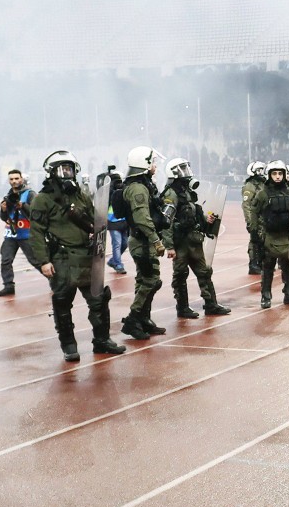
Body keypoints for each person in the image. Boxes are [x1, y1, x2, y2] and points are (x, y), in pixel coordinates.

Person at [28, 150, 125, 361]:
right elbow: (35, 233)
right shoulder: (42, 200)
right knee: (62, 303)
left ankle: (102, 341)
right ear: (51, 173)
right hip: (62, 259)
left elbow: (95, 219)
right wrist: (44, 261)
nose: (67, 174)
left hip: (87, 257)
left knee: (99, 300)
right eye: (62, 170)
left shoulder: (81, 195)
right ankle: (69, 345)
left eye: (69, 169)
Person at [161, 157, 230, 319]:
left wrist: (206, 221)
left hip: (193, 239)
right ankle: (182, 307)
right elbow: (167, 222)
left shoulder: (187, 192)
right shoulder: (171, 194)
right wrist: (169, 246)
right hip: (180, 243)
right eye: (182, 169)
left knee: (204, 272)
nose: (187, 172)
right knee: (180, 274)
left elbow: (193, 213)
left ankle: (210, 304)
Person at [118, 146, 168, 341]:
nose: (155, 165)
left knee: (144, 281)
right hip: (143, 242)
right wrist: (156, 240)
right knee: (150, 280)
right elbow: (142, 218)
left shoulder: (142, 183)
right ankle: (132, 320)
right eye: (153, 162)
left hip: (143, 240)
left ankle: (143, 319)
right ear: (144, 164)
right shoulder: (138, 188)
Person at [244, 161, 289, 309]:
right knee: (268, 267)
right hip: (270, 237)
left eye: (280, 174)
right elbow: (254, 213)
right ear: (270, 175)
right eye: (274, 174)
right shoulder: (263, 194)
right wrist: (255, 234)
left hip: (287, 235)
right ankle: (266, 295)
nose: (277, 177)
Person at [0, 169, 37, 297]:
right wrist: (3, 210)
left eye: (16, 178)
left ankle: (55, 281)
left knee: (36, 260)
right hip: (11, 234)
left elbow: (36, 213)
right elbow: (3, 217)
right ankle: (8, 286)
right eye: (11, 179)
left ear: (21, 179)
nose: (14, 181)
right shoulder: (7, 196)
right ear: (9, 181)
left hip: (26, 234)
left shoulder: (30, 194)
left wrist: (22, 206)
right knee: (5, 260)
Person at [241, 161, 267, 274]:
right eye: (258, 170)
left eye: (262, 170)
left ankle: (261, 262)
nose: (260, 172)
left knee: (264, 240)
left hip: (264, 217)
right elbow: (246, 205)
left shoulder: (263, 184)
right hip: (255, 218)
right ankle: (253, 264)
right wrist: (250, 222)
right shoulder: (249, 186)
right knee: (255, 240)